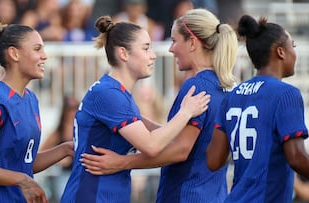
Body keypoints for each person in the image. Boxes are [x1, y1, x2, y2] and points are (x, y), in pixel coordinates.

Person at [80, 8, 238, 202]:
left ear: (192, 43)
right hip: (215, 194)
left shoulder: (196, 85)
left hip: (186, 194)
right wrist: (132, 120)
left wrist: (122, 162)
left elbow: (180, 149)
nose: (170, 49)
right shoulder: (225, 86)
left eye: (174, 41)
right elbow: (184, 138)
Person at [0, 18, 74, 203]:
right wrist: (22, 180)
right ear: (14, 54)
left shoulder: (30, 99)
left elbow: (23, 163)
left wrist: (65, 149)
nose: (44, 56)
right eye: (37, 49)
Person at [206, 15, 309, 202]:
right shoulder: (286, 94)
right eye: (292, 46)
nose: (295, 52)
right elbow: (296, 157)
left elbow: (213, 161)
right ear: (280, 52)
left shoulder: (232, 96)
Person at [40, 95, 79, 202]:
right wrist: (58, 160)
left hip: (80, 173)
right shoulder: (58, 133)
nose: (72, 112)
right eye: (70, 108)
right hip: (63, 174)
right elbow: (41, 154)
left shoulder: (82, 130)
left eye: (76, 107)